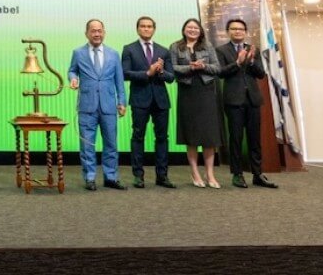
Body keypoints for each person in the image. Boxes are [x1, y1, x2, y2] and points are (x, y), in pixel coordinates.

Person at [216, 18, 278, 189]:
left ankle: (258, 174)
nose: (237, 31)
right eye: (234, 29)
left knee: (255, 139)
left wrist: (250, 61)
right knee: (236, 139)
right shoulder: (221, 50)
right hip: (233, 101)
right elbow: (220, 72)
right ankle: (237, 175)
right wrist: (237, 63)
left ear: (245, 32)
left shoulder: (253, 50)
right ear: (228, 31)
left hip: (252, 99)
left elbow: (260, 74)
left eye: (241, 29)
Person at [68, 19, 127, 191]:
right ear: (86, 33)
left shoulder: (113, 54)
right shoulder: (78, 53)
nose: (97, 34)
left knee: (111, 144)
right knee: (87, 144)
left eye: (100, 30)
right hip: (87, 106)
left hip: (109, 106)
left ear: (104, 32)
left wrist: (122, 101)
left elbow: (119, 81)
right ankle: (90, 177)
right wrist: (73, 78)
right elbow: (72, 70)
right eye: (93, 31)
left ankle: (111, 177)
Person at [122, 16, 176, 189]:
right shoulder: (129, 49)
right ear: (137, 29)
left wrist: (159, 72)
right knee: (138, 136)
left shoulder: (163, 50)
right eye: (143, 26)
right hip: (139, 99)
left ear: (154, 29)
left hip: (160, 100)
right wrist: (147, 73)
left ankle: (162, 176)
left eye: (149, 26)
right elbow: (125, 74)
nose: (146, 29)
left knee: (162, 138)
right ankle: (138, 176)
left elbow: (171, 77)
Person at [170, 18, 223, 189]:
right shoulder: (175, 46)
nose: (192, 30)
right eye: (189, 27)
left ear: (200, 31)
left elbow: (217, 68)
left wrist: (203, 66)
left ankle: (210, 174)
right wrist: (190, 68)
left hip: (206, 91)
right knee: (191, 135)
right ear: (184, 30)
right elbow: (172, 69)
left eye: (195, 28)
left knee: (209, 136)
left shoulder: (207, 45)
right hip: (187, 92)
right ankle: (195, 172)